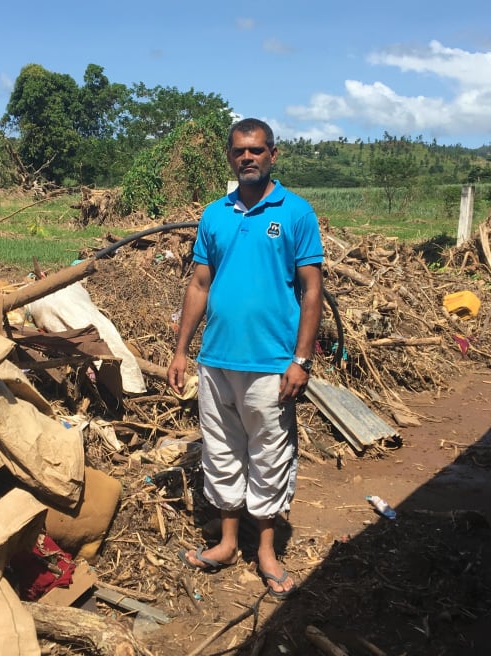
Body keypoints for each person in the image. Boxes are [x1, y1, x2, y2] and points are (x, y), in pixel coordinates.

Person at [167, 117, 324, 599]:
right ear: (230, 157)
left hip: (273, 362)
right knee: (222, 451)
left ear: (273, 154)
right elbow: (198, 283)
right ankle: (229, 542)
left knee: (270, 455)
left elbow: (312, 289)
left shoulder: (295, 212)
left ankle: (267, 551)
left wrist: (301, 359)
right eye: (239, 151)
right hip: (216, 360)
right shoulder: (215, 215)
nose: (248, 158)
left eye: (257, 150)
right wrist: (180, 350)